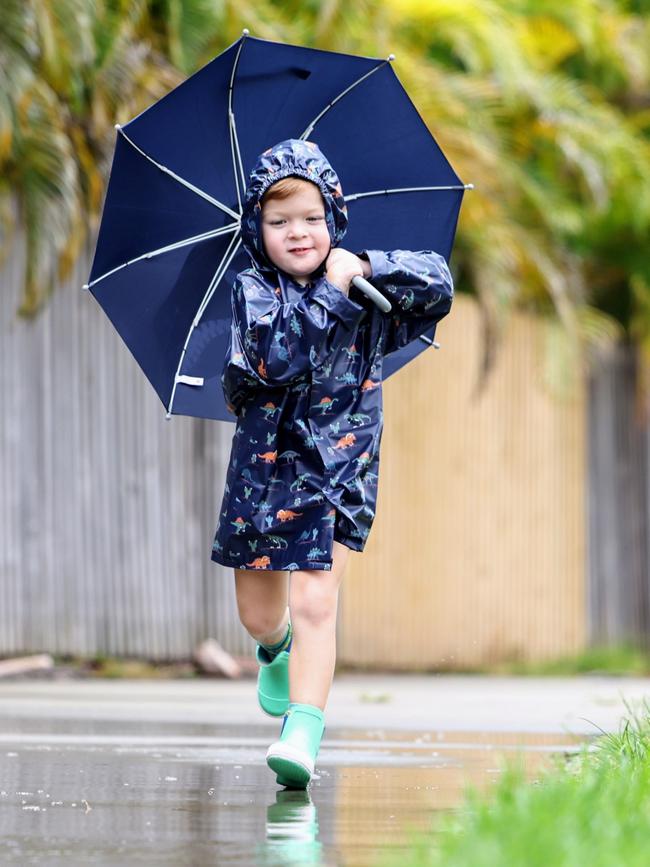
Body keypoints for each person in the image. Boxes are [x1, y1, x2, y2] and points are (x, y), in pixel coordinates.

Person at [211, 139, 453, 788]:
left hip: (342, 469)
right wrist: (334, 294)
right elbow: (278, 359)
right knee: (262, 613)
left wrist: (367, 265)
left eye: (312, 217)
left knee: (318, 597)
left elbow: (439, 287)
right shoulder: (252, 294)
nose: (298, 232)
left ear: (335, 218)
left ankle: (303, 730)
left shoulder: (361, 277)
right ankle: (275, 648)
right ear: (256, 230)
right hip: (266, 475)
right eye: (279, 219)